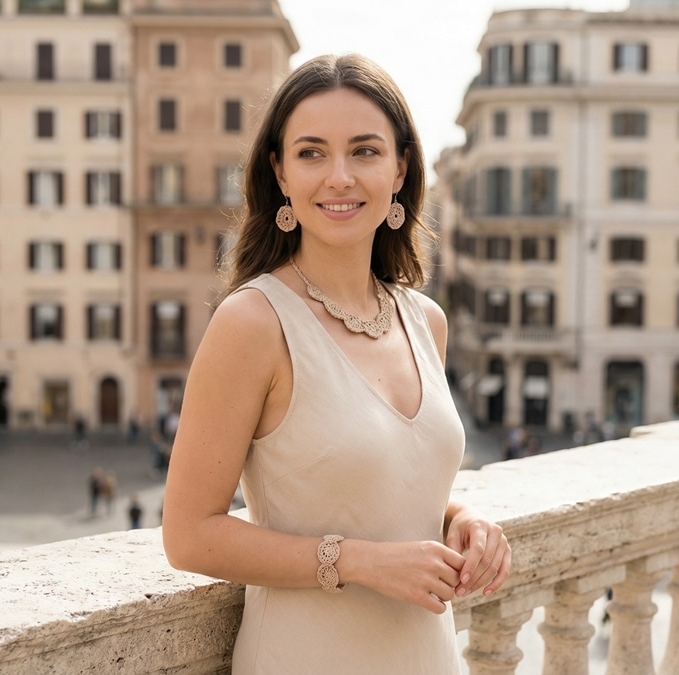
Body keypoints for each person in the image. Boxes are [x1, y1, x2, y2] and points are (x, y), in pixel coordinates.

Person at [161, 54, 511, 674]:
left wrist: (464, 516)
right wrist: (356, 561)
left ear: (401, 168)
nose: (339, 176)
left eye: (366, 151)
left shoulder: (426, 320)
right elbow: (189, 534)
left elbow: (389, 481)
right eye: (312, 153)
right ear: (281, 172)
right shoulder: (252, 323)